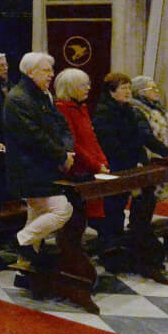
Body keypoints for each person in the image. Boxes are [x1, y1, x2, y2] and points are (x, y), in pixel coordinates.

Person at [2, 52, 74, 272]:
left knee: (37, 214)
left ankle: (26, 266)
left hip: (45, 164)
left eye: (51, 70)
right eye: (46, 70)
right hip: (29, 167)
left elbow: (62, 126)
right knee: (62, 210)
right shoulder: (18, 98)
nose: (51, 74)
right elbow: (34, 136)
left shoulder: (42, 95)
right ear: (30, 72)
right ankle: (20, 241)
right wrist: (61, 156)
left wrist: (67, 151)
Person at [90, 72, 168, 240]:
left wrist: (156, 153)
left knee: (139, 196)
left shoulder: (129, 110)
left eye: (129, 88)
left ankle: (132, 235)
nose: (128, 92)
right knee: (114, 204)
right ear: (111, 91)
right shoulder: (104, 112)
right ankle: (112, 240)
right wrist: (131, 161)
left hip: (130, 163)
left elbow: (140, 137)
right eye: (123, 88)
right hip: (115, 164)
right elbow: (109, 143)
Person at [53, 68, 109, 225]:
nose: (88, 88)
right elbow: (73, 144)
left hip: (91, 167)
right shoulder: (62, 108)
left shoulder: (82, 108)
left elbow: (92, 139)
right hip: (77, 169)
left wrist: (102, 161)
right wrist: (95, 165)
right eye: (83, 85)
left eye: (88, 84)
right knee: (76, 217)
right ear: (70, 87)